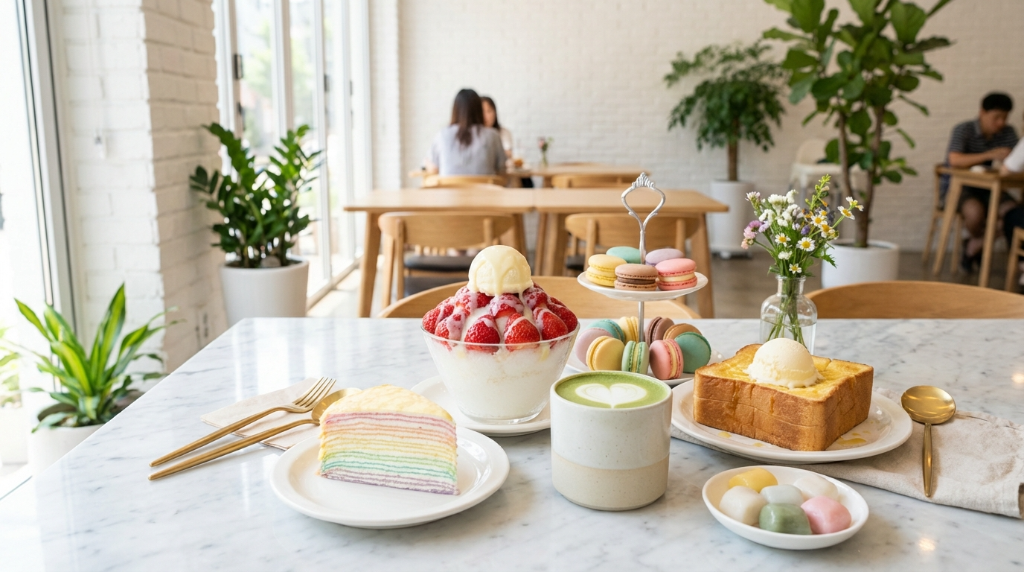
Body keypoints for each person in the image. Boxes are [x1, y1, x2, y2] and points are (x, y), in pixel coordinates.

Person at [941, 92, 1019, 271]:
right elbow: (954, 160)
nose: (1001, 123)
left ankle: (975, 243)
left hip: (993, 189)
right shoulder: (964, 129)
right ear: (982, 112)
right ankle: (977, 243)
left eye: (1005, 118)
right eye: (996, 117)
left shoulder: (1008, 132)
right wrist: (990, 155)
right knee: (975, 213)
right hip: (962, 188)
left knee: (1014, 214)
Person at [425, 89, 505, 177]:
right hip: (484, 186)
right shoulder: (493, 135)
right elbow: (501, 167)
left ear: (455, 110)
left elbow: (433, 168)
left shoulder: (443, 134)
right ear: (479, 110)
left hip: (450, 186)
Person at [481, 95, 533, 187]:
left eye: (489, 111)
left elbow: (508, 154)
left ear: (495, 113)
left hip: (503, 177)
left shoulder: (503, 133)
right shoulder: (475, 135)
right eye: (482, 112)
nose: (486, 116)